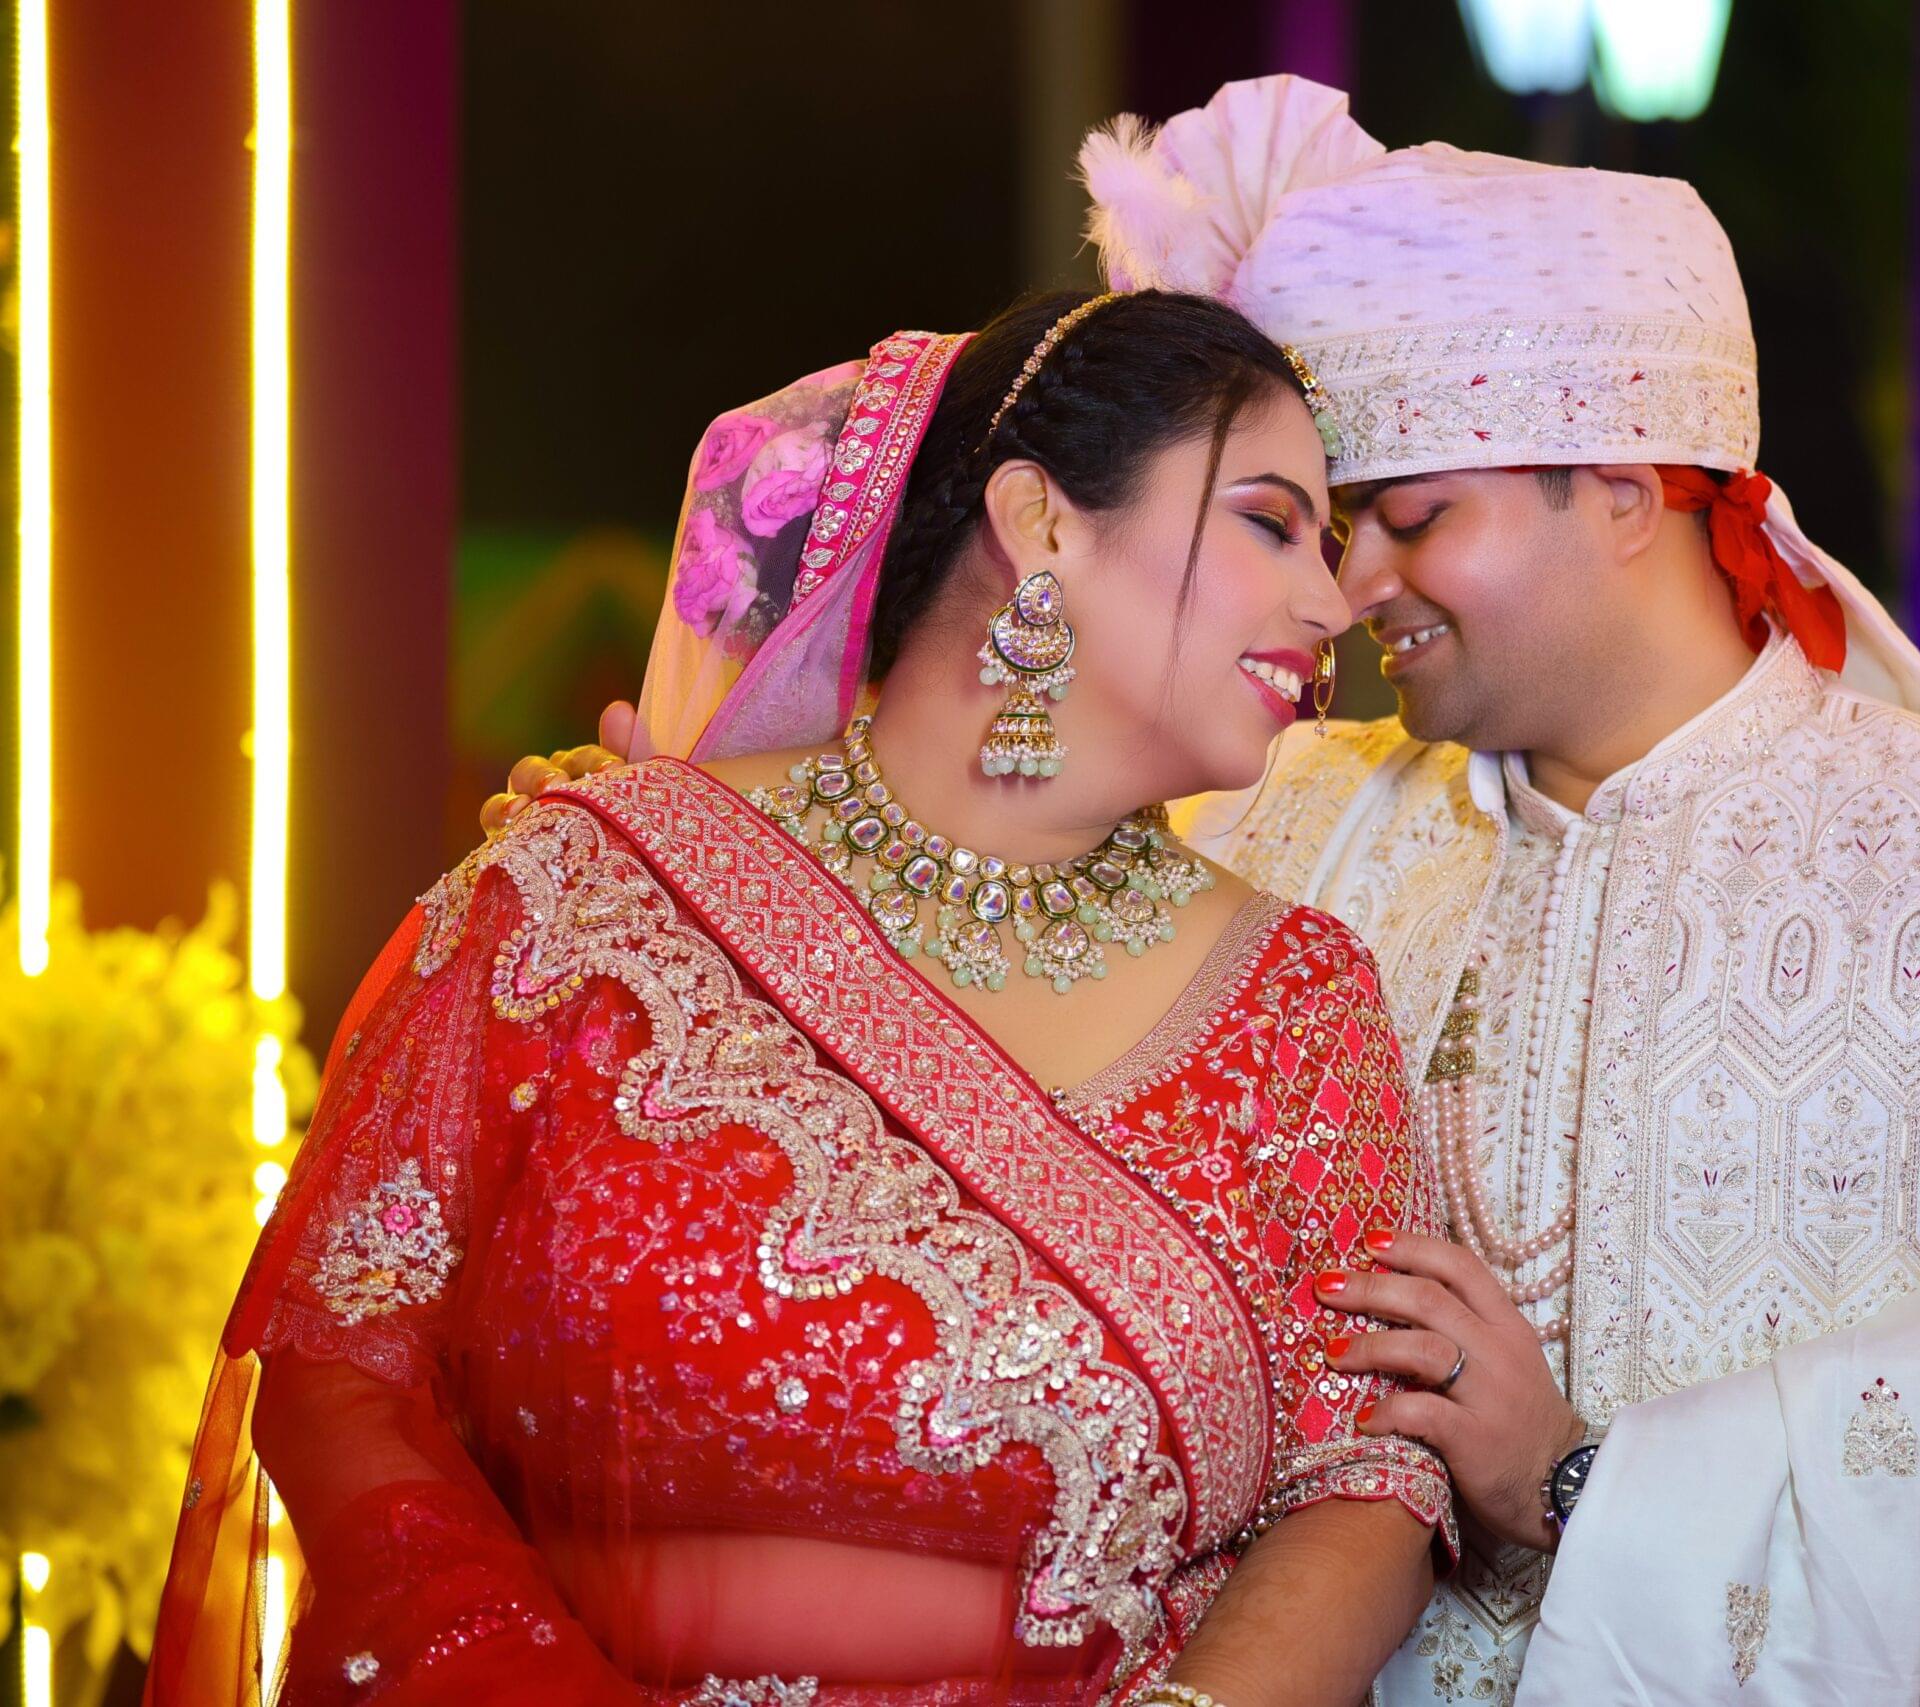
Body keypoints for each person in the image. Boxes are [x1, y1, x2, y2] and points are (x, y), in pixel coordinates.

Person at [492, 77, 1920, 1706]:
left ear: (1625, 487)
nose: (1347, 590)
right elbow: (927, 951)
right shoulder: (1257, 823)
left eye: (1411, 517)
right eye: (1321, 526)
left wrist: (1587, 1474)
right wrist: (697, 860)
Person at [146, 289, 1457, 1707]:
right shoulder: (592, 898)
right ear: (1045, 524)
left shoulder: (1301, 1005)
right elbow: (347, 1360)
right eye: (1272, 523)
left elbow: (1365, 1472)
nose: (1334, 602)